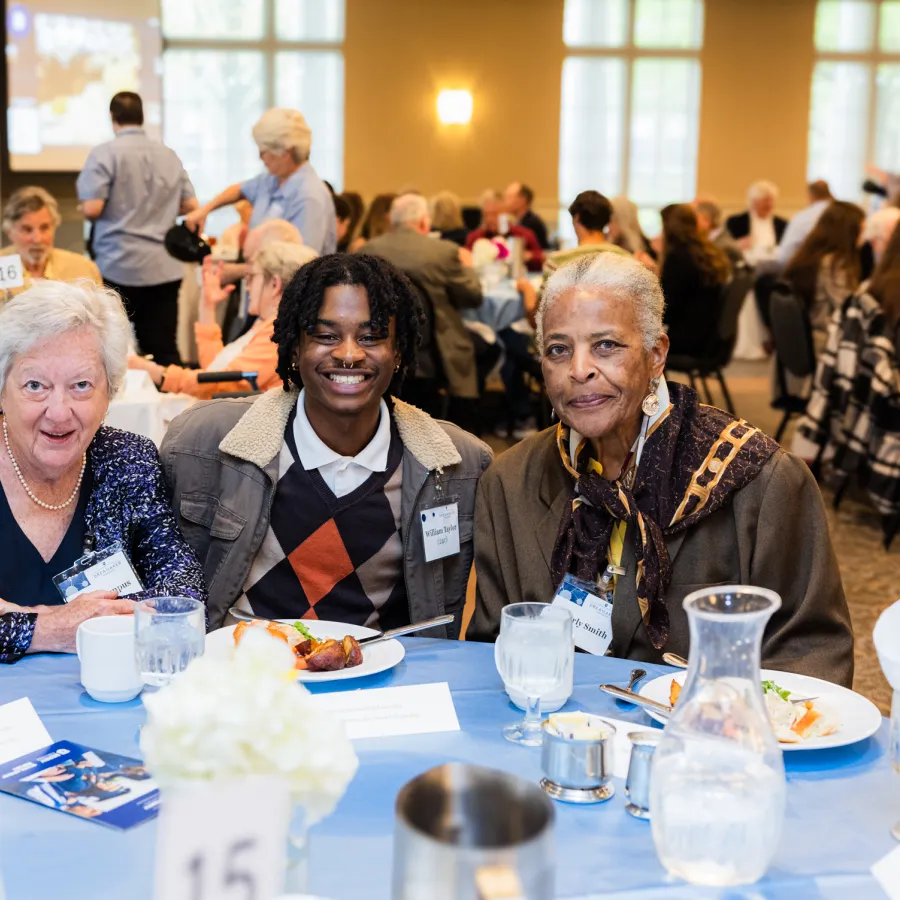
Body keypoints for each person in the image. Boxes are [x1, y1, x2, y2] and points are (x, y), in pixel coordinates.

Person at [469, 252, 853, 685]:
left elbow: (810, 655)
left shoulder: (761, 483)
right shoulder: (510, 484)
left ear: (656, 356)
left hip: (701, 741)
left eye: (606, 345)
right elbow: (492, 652)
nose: (579, 370)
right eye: (558, 349)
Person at [161, 253, 492, 634]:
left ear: (398, 351)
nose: (349, 354)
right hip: (249, 676)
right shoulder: (203, 444)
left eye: (371, 337)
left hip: (383, 677)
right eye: (325, 336)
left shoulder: (458, 465)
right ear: (295, 346)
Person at [0, 280, 208, 664]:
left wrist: (19, 620)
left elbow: (183, 588)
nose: (59, 412)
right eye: (35, 385)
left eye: (81, 385)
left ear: (109, 393)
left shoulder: (127, 460)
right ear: (2, 389)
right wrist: (46, 626)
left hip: (105, 696)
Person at [76, 92, 198, 367]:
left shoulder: (104, 154)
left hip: (118, 265)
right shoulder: (168, 154)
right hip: (163, 267)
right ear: (142, 116)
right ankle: (174, 405)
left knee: (111, 347)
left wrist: (86, 209)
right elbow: (190, 204)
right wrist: (159, 209)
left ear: (112, 117)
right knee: (164, 348)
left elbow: (93, 208)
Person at [128, 241, 317, 398]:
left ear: (274, 284)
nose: (248, 287)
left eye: (251, 277)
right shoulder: (266, 325)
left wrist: (157, 373)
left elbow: (221, 384)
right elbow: (217, 369)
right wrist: (207, 306)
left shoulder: (277, 334)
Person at [359, 194, 484, 424]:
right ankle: (464, 420)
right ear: (424, 223)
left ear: (391, 221)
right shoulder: (443, 252)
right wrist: (468, 267)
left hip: (377, 344)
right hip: (434, 351)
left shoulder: (366, 252)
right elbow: (473, 297)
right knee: (488, 347)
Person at [185, 108, 336, 256]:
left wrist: (234, 272)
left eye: (264, 151)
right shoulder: (272, 179)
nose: (260, 157)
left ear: (285, 152)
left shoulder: (309, 198)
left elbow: (300, 264)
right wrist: (204, 210)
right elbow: (240, 190)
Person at [784, 200, 865, 343]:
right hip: (828, 340)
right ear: (849, 231)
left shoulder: (812, 255)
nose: (864, 237)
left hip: (810, 335)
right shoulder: (833, 263)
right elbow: (849, 306)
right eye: (861, 230)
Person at [659, 204, 731, 357]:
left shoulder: (679, 257)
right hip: (707, 336)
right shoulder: (707, 253)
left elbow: (667, 310)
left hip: (686, 339)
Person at [0, 188, 101, 295]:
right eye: (27, 229)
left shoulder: (83, 269)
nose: (37, 239)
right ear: (10, 232)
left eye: (44, 228)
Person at [545, 191, 630, 275]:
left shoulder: (557, 261)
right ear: (607, 221)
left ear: (576, 218)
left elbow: (546, 288)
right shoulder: (627, 259)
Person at [466, 191, 544, 272]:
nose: (490, 219)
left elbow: (541, 259)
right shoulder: (475, 237)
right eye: (486, 215)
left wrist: (528, 256)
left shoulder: (523, 235)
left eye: (494, 214)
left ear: (505, 214)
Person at [725, 180, 788, 252]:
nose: (769, 205)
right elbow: (725, 247)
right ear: (753, 201)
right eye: (765, 201)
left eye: (772, 201)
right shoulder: (736, 222)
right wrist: (737, 245)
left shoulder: (782, 224)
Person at [693, 197, 743, 270]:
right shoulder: (710, 242)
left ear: (706, 221)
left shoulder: (724, 248)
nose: (692, 224)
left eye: (695, 219)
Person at [504, 182, 550, 250]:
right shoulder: (518, 221)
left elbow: (539, 252)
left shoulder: (532, 224)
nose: (506, 202)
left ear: (522, 200)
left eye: (509, 197)